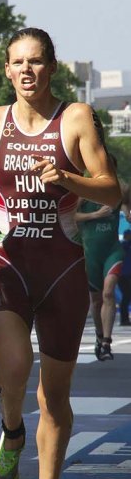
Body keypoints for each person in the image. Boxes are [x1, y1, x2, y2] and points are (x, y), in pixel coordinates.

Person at [0, 27, 120, 479]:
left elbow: (112, 190)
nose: (26, 70)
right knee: (13, 365)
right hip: (8, 261)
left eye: (35, 62)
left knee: (55, 396)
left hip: (62, 270)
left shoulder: (74, 119)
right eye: (17, 62)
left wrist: (68, 178)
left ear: (51, 67)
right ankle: (11, 432)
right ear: (6, 70)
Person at [75, 153, 130, 360]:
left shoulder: (119, 190)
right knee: (96, 300)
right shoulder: (83, 191)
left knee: (109, 293)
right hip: (90, 252)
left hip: (112, 250)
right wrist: (94, 215)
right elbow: (70, 216)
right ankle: (99, 335)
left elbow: (127, 208)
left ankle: (107, 341)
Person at [118, 229, 131, 326]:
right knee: (126, 296)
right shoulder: (123, 245)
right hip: (123, 275)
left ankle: (125, 319)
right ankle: (124, 319)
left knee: (127, 296)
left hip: (127, 274)